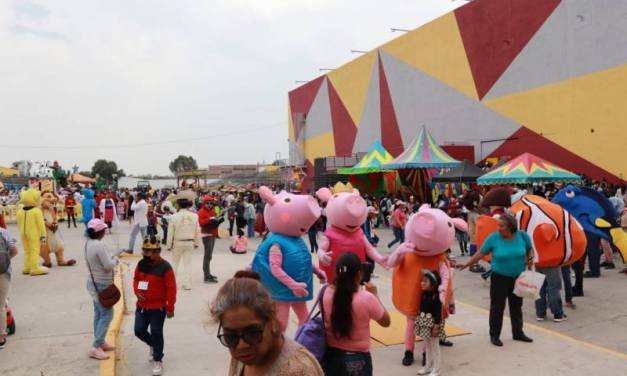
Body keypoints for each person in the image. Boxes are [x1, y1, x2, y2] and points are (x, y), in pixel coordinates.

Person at [211, 270, 323, 376]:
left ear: (272, 320)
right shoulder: (243, 354)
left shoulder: (298, 371)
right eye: (230, 336)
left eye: (252, 333)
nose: (241, 345)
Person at [458, 214, 534, 347]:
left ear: (510, 227)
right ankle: (495, 335)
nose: (498, 228)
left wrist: (530, 258)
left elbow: (529, 249)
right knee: (497, 307)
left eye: (502, 226)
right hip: (499, 278)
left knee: (516, 306)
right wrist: (466, 264)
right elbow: (480, 253)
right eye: (498, 225)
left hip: (518, 277)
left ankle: (518, 333)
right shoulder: (493, 238)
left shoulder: (522, 235)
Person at [321, 253, 390, 375]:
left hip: (330, 357)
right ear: (359, 274)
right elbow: (386, 322)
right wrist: (375, 295)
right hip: (358, 359)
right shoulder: (367, 298)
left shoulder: (325, 292)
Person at [133, 236, 177, 376]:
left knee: (157, 332)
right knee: (139, 330)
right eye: (145, 251)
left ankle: (158, 359)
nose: (146, 254)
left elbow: (172, 289)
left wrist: (170, 308)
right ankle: (154, 345)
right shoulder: (141, 264)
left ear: (158, 251)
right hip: (141, 306)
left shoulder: (165, 267)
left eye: (150, 251)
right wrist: (137, 292)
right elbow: (136, 280)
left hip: (158, 308)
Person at [85, 219, 119, 360]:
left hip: (93, 282)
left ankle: (100, 342)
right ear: (100, 232)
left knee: (98, 313)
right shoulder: (99, 245)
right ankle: (96, 346)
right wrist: (115, 260)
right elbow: (108, 265)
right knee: (107, 314)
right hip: (102, 284)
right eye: (104, 230)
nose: (105, 231)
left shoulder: (88, 243)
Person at [166, 192, 201, 290]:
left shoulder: (173, 217)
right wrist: (197, 243)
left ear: (178, 205)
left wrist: (169, 245)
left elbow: (170, 233)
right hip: (190, 242)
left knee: (175, 263)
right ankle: (187, 284)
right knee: (188, 264)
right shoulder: (195, 216)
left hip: (178, 242)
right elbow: (197, 231)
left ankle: (172, 284)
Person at [415, 270, 443, 376]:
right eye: (422, 281)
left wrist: (436, 326)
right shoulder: (424, 294)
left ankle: (437, 369)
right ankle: (428, 366)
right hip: (424, 323)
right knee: (427, 345)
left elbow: (438, 313)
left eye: (425, 281)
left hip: (433, 325)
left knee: (435, 346)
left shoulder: (436, 297)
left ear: (433, 284)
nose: (422, 283)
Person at [0, 226, 18, 349]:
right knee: (1, 306)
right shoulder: (3, 232)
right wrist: (6, 260)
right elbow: (14, 250)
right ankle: (0, 337)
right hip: (3, 272)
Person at [198, 195, 220, 284]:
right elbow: (201, 222)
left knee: (209, 255)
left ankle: (208, 273)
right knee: (207, 256)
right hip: (206, 235)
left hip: (213, 234)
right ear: (204, 203)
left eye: (211, 203)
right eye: (207, 203)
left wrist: (217, 219)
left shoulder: (213, 210)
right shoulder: (201, 211)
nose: (209, 205)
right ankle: (206, 276)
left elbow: (215, 220)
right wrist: (209, 219)